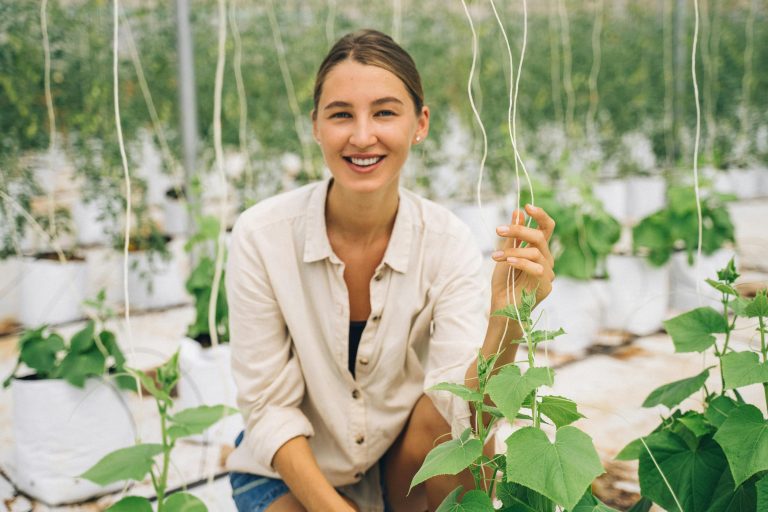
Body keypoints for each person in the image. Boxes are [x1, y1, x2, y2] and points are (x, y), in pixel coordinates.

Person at [225, 29, 555, 512]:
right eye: (341, 115)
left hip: (397, 463)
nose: (362, 136)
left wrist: (506, 320)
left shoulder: (447, 242)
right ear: (316, 125)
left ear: (419, 124)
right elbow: (268, 409)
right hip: (292, 473)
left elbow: (466, 411)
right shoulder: (262, 235)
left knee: (459, 428)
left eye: (384, 112)